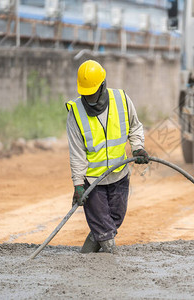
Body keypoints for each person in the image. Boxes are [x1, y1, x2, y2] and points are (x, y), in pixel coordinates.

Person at [65, 60, 149, 253]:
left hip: (119, 175)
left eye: (93, 93)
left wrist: (137, 148)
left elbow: (135, 127)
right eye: (86, 94)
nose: (90, 98)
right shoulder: (75, 113)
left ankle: (86, 256)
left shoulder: (122, 99)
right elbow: (76, 153)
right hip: (93, 182)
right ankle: (110, 261)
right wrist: (78, 184)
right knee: (105, 231)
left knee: (114, 220)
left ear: (103, 85)